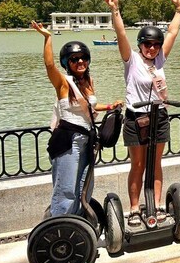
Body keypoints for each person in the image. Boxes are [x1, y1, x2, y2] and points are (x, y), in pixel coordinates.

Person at [104, 0, 180, 227]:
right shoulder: (132, 59)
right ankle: (134, 208)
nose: (152, 48)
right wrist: (115, 10)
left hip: (158, 115)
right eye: (147, 44)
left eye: (155, 45)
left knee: (155, 163)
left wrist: (179, 9)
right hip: (136, 117)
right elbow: (120, 34)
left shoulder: (160, 59)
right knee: (137, 164)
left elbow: (172, 32)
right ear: (141, 45)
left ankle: (158, 205)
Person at [31, 21, 122, 216]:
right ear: (67, 63)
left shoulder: (88, 81)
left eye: (83, 58)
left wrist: (108, 106)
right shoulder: (63, 82)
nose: (80, 62)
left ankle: (78, 224)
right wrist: (48, 37)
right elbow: (49, 65)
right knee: (66, 189)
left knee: (84, 187)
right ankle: (60, 229)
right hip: (68, 139)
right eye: (74, 59)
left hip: (87, 139)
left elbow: (88, 106)